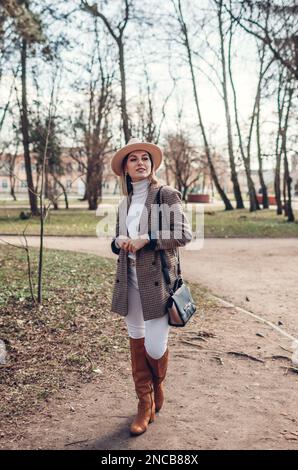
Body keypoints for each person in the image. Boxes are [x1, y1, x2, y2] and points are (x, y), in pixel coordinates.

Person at [110, 137, 192, 436]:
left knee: (155, 346)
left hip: (156, 283)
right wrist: (118, 243)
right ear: (125, 168)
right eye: (133, 159)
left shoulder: (165, 195)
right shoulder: (124, 203)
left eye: (145, 157)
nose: (140, 162)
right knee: (136, 340)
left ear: (152, 164)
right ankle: (144, 403)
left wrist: (148, 239)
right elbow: (118, 240)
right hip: (128, 281)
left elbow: (184, 235)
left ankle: (158, 385)